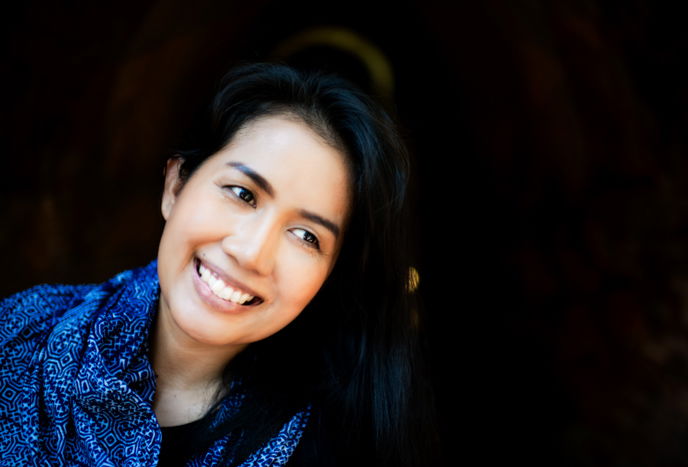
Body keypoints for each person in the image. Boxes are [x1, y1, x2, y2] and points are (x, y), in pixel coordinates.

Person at [0, 62, 437, 466]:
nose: (251, 252)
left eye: (307, 236)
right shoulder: (17, 337)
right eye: (242, 193)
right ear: (176, 185)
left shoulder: (340, 446)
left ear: (330, 275)